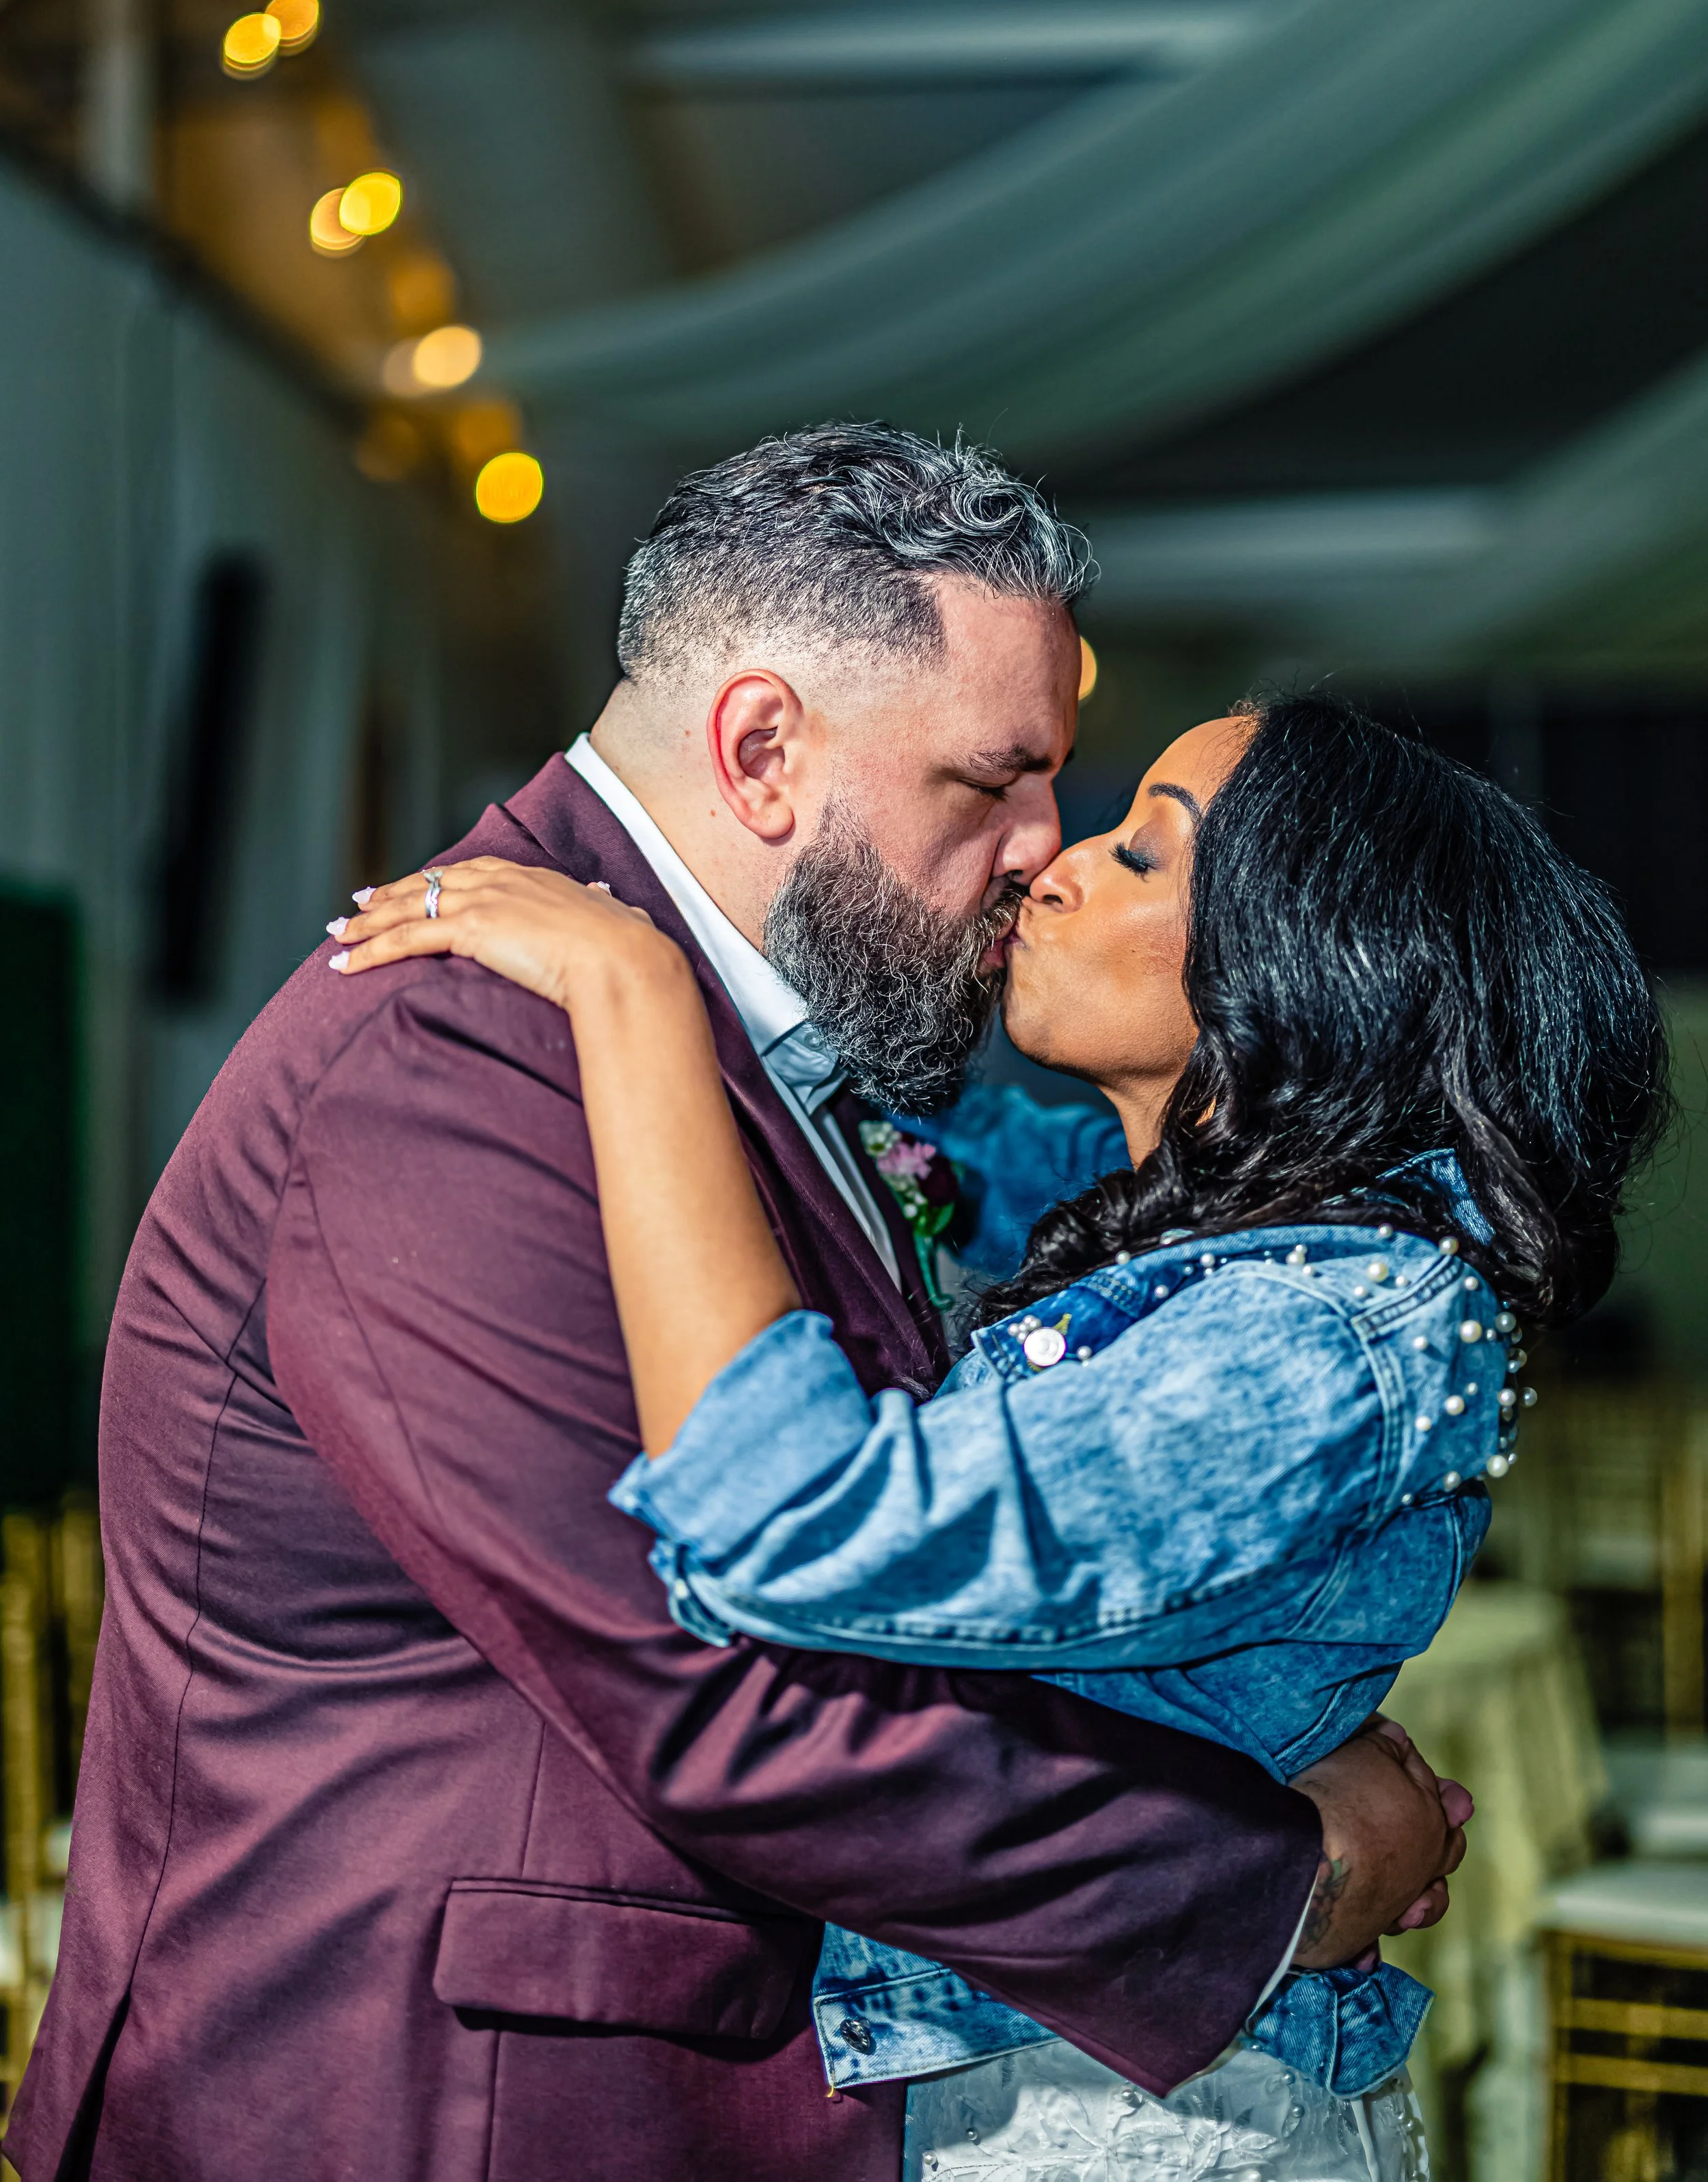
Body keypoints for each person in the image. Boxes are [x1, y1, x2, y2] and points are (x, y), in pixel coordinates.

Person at [8, 430, 1465, 2182]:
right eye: (989, 783)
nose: (1031, 850)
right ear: (761, 749)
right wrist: (1262, 1883)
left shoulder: (748, 1038)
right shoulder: (466, 1052)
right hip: (437, 2107)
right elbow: (721, 1702)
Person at [328, 691, 1666, 2181]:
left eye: (1140, 856)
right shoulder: (1162, 1217)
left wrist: (636, 994)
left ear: (1303, 973)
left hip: (1144, 2127)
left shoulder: (1326, 1333)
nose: (1051, 864)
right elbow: (889, 1149)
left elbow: (805, 1528)